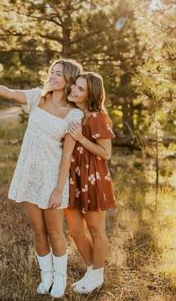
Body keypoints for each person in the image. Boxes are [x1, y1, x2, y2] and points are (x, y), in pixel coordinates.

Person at [0, 59, 83, 298]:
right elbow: (10, 93)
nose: (52, 76)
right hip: (29, 173)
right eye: (51, 72)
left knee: (55, 231)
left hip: (53, 178)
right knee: (37, 231)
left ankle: (60, 280)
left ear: (68, 80)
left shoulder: (74, 114)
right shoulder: (37, 97)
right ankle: (46, 277)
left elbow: (67, 156)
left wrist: (57, 190)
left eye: (58, 74)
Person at [65, 72, 116, 294]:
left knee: (96, 229)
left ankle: (98, 275)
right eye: (74, 86)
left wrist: (81, 139)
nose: (74, 90)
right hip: (73, 177)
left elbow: (106, 153)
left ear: (91, 94)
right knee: (76, 230)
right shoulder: (74, 115)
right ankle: (91, 271)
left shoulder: (97, 117)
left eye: (80, 89)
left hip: (93, 177)